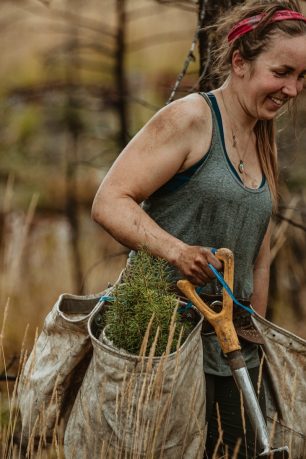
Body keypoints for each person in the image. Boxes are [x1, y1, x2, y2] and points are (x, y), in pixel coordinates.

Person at [92, 0, 306, 457]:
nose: (291, 89)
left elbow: (257, 256)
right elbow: (109, 201)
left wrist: (256, 343)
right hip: (163, 346)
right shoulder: (190, 119)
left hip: (233, 351)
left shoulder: (262, 137)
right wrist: (176, 252)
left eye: (302, 78)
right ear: (239, 62)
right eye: (282, 71)